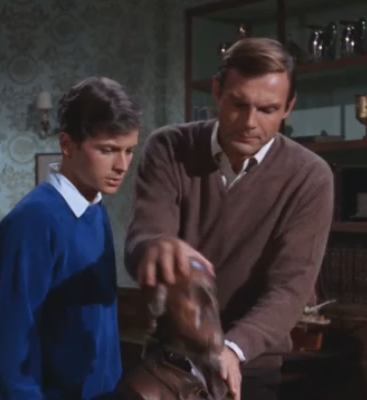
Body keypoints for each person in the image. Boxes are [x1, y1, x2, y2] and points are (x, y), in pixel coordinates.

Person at [125, 37, 334, 400]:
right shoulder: (169, 147)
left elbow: (289, 289)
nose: (250, 123)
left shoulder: (310, 177)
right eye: (239, 104)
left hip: (250, 365)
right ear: (217, 92)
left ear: (289, 107)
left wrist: (233, 349)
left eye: (268, 109)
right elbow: (143, 237)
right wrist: (154, 249)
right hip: (169, 362)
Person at [0, 76, 141, 400]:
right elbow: (11, 344)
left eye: (129, 151)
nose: (122, 165)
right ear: (68, 145)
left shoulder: (95, 210)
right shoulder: (32, 222)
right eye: (108, 150)